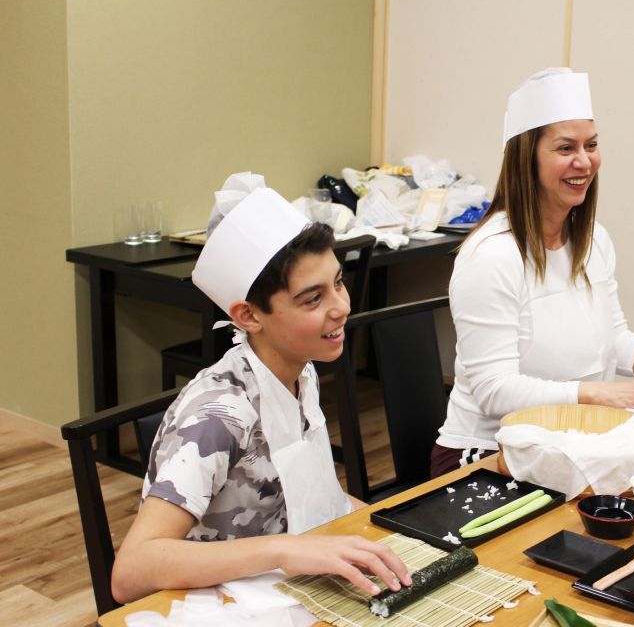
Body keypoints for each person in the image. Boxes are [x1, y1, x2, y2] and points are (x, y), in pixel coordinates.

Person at [111, 175, 411, 603]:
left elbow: (303, 493)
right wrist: (283, 550)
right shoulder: (218, 415)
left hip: (298, 590)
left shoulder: (300, 373)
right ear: (249, 316)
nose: (342, 307)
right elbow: (131, 573)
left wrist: (397, 530)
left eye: (339, 283)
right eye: (313, 299)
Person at [431, 69, 634, 476]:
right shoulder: (492, 255)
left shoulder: (592, 239)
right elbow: (493, 390)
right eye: (565, 148)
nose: (584, 161)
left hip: (574, 440)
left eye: (591, 145)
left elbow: (614, 340)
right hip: (489, 452)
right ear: (527, 158)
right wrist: (596, 395)